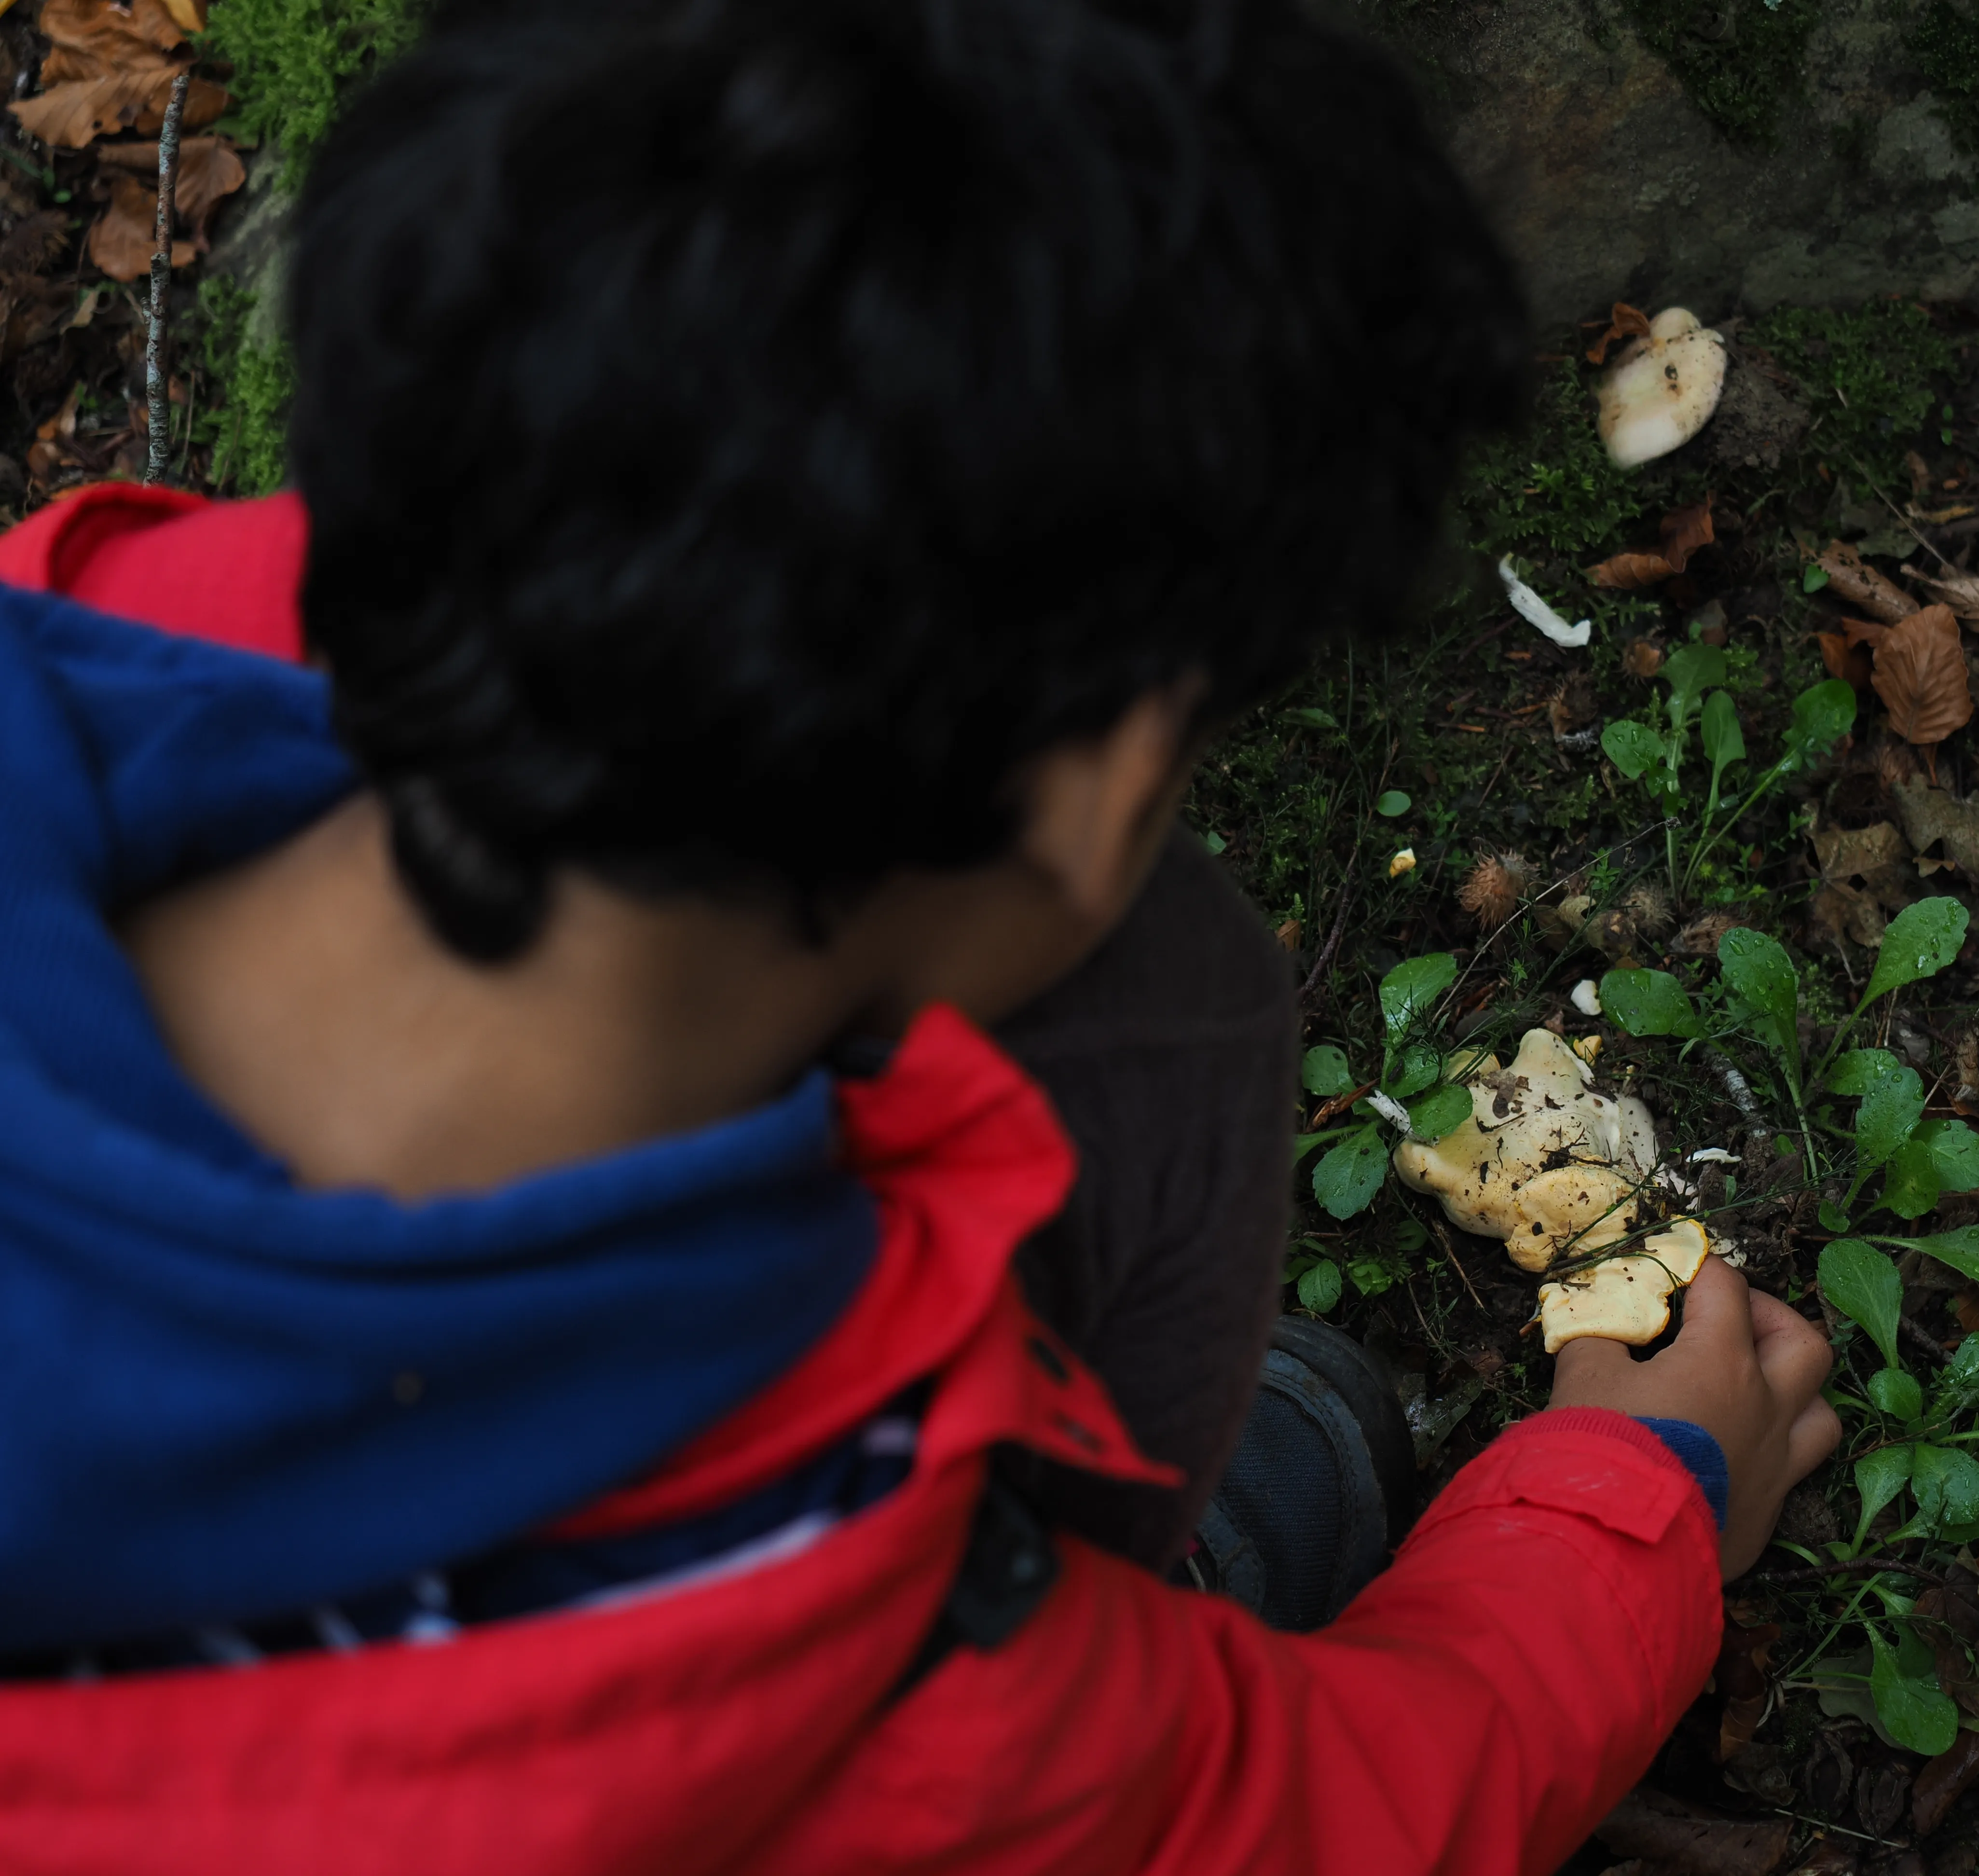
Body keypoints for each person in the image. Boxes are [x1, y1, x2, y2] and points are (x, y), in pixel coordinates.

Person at [0, 0, 1840, 1868]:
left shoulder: (99, 624)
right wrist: (1645, 1494)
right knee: (1169, 1018)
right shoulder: (846, 1668)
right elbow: (1297, 1825)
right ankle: (1141, 1592)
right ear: (1109, 782)